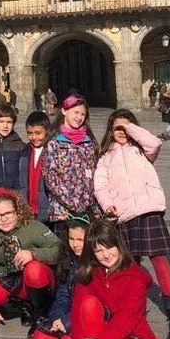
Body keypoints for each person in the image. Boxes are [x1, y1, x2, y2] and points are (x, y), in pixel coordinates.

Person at [94, 109, 170, 317]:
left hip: (148, 209)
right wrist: (107, 205)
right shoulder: (105, 157)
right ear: (110, 132)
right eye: (117, 129)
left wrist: (130, 128)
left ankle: (169, 297)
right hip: (124, 214)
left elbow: (155, 142)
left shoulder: (142, 149)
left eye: (126, 127)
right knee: (130, 260)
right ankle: (133, 295)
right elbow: (100, 185)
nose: (121, 132)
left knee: (158, 256)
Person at [69, 219, 163, 339]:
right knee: (87, 306)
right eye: (99, 251)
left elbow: (128, 316)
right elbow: (78, 310)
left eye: (109, 247)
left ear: (119, 245)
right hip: (96, 331)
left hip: (128, 336)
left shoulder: (134, 276)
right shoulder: (91, 273)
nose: (106, 255)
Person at [0, 189, 59, 333]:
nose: (4, 218)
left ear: (17, 211)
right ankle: (24, 305)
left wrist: (33, 254)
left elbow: (59, 250)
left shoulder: (33, 227)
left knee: (33, 269)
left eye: (8, 213)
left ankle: (40, 314)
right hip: (15, 282)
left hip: (40, 280)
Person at [43, 95, 100, 241]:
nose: (79, 117)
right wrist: (72, 202)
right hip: (63, 211)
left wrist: (89, 202)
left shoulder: (88, 142)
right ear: (64, 111)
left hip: (88, 208)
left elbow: (94, 173)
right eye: (76, 112)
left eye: (83, 114)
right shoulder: (54, 143)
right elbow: (50, 177)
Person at [31, 217, 87, 339]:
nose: (75, 244)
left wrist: (67, 321)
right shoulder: (69, 258)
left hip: (87, 316)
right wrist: (57, 317)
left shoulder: (96, 262)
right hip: (69, 313)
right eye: (72, 239)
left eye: (80, 240)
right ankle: (65, 332)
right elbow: (63, 294)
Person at [0, 104, 26, 195]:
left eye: (9, 122)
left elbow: (25, 177)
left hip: (16, 197)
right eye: (1, 121)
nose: (5, 126)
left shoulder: (20, 147)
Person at [20, 111, 52, 223]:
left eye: (38, 133)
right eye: (30, 133)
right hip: (28, 209)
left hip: (46, 209)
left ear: (47, 131)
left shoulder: (51, 151)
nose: (33, 137)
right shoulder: (24, 151)